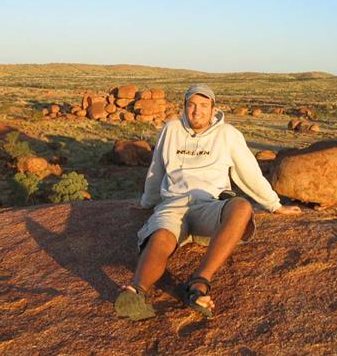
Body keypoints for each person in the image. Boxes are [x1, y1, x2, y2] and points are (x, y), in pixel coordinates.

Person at [115, 84, 301, 321]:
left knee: (241, 207)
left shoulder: (228, 134)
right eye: (191, 105)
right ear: (184, 107)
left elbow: (249, 173)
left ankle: (199, 283)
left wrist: (274, 205)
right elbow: (156, 170)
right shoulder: (171, 129)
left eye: (203, 106)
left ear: (213, 109)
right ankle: (136, 292)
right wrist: (146, 202)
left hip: (210, 206)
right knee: (161, 235)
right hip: (174, 203)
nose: (197, 111)